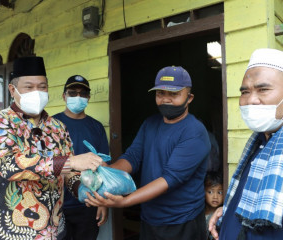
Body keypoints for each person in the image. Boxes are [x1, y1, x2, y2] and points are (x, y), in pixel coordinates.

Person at [0, 56, 103, 240]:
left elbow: (68, 171)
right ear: (12, 90)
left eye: (42, 87)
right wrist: (72, 161)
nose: (37, 92)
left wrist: (82, 189)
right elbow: (10, 166)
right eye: (29, 87)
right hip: (9, 231)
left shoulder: (58, 127)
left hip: (54, 230)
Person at [85, 66, 211, 240]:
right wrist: (106, 178)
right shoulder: (150, 124)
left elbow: (170, 178)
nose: (165, 99)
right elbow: (132, 157)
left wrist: (125, 201)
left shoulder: (194, 132)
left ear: (189, 98)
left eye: (174, 94)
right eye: (160, 93)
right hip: (150, 216)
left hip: (181, 221)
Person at [208, 48, 283, 240]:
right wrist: (230, 211)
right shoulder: (262, 141)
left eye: (263, 89)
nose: (251, 100)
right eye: (245, 92)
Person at [53, 75, 109, 239]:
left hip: (89, 203)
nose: (78, 97)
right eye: (72, 93)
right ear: (64, 96)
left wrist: (103, 202)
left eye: (83, 93)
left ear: (88, 98)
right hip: (57, 203)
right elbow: (43, 163)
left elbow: (104, 167)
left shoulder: (96, 127)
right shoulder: (52, 125)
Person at [204, 171, 223, 240]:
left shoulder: (222, 216)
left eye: (220, 192)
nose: (215, 197)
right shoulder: (200, 214)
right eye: (210, 192)